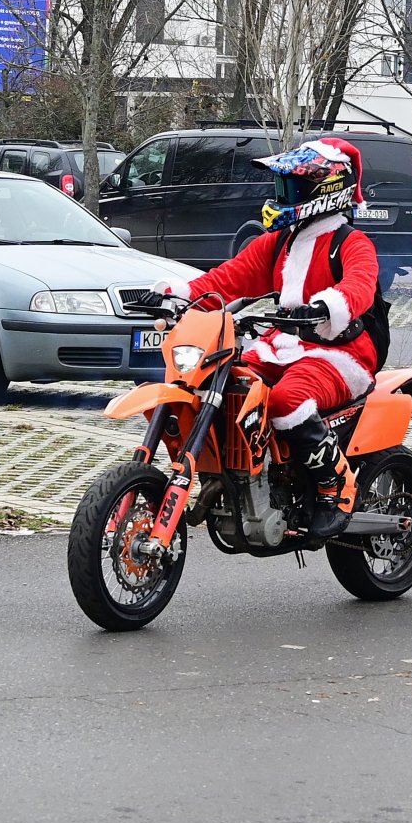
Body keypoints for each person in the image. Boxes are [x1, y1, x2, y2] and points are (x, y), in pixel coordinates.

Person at [152, 138, 379, 539]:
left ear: (323, 189)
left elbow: (359, 285)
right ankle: (244, 475)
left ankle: (336, 485)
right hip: (283, 345)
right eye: (280, 187)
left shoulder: (351, 243)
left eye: (289, 188)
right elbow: (228, 278)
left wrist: (327, 306)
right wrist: (181, 297)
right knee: (228, 386)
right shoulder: (280, 243)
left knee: (288, 400)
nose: (280, 196)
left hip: (339, 352)